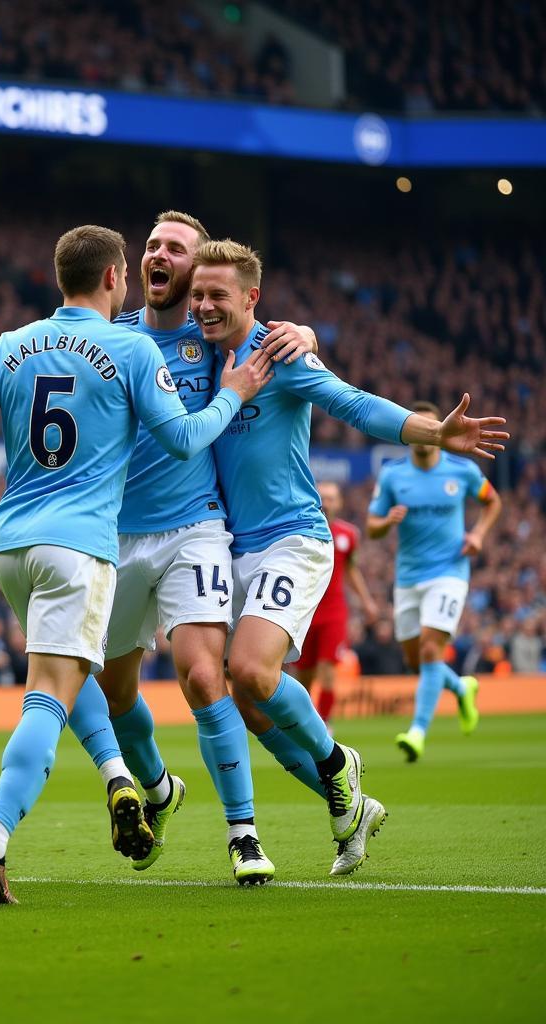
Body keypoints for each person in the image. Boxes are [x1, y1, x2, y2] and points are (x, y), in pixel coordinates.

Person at [0, 211, 317, 886]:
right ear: (123, 272)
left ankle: (242, 831)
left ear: (205, 274)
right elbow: (123, 404)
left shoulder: (217, 333)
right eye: (152, 245)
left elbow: (6, 378)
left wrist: (305, 336)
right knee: (90, 688)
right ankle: (124, 788)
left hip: (147, 531)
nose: (161, 255)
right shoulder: (126, 341)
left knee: (200, 676)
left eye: (177, 248)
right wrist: (232, 395)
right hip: (99, 539)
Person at [190, 239, 507, 876]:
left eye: (217, 295)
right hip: (232, 548)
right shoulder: (194, 359)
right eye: (197, 294)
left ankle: (337, 764)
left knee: (251, 672)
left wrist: (433, 433)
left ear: (252, 298)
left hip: (294, 536)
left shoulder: (279, 353)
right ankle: (351, 806)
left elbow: (353, 402)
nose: (203, 305)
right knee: (250, 706)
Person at [367, 399, 503, 762]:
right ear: (410, 434)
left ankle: (417, 732)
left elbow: (493, 502)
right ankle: (461, 687)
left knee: (430, 651)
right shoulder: (393, 475)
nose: (426, 437)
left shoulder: (462, 470)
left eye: (432, 429)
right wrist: (388, 521)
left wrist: (478, 536)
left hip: (449, 572)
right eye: (420, 430)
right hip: (408, 577)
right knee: (416, 661)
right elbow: (372, 527)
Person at [290, 481, 378, 728]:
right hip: (305, 612)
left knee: (328, 671)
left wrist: (367, 601)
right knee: (303, 677)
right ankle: (303, 725)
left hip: (334, 613)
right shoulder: (301, 532)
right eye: (323, 497)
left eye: (332, 498)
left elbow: (350, 570)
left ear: (339, 503)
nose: (326, 503)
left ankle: (324, 725)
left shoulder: (348, 535)